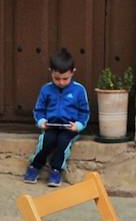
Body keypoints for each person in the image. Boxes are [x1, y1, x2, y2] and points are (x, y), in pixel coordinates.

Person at [25, 47, 91, 187]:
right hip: (51, 126)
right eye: (57, 79)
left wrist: (78, 125)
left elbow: (84, 112)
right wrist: (41, 121)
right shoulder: (46, 89)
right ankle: (35, 166)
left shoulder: (79, 90)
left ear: (73, 72)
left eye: (65, 79)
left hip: (70, 128)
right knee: (46, 141)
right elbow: (39, 109)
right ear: (51, 72)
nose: (61, 82)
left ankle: (56, 170)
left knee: (63, 143)